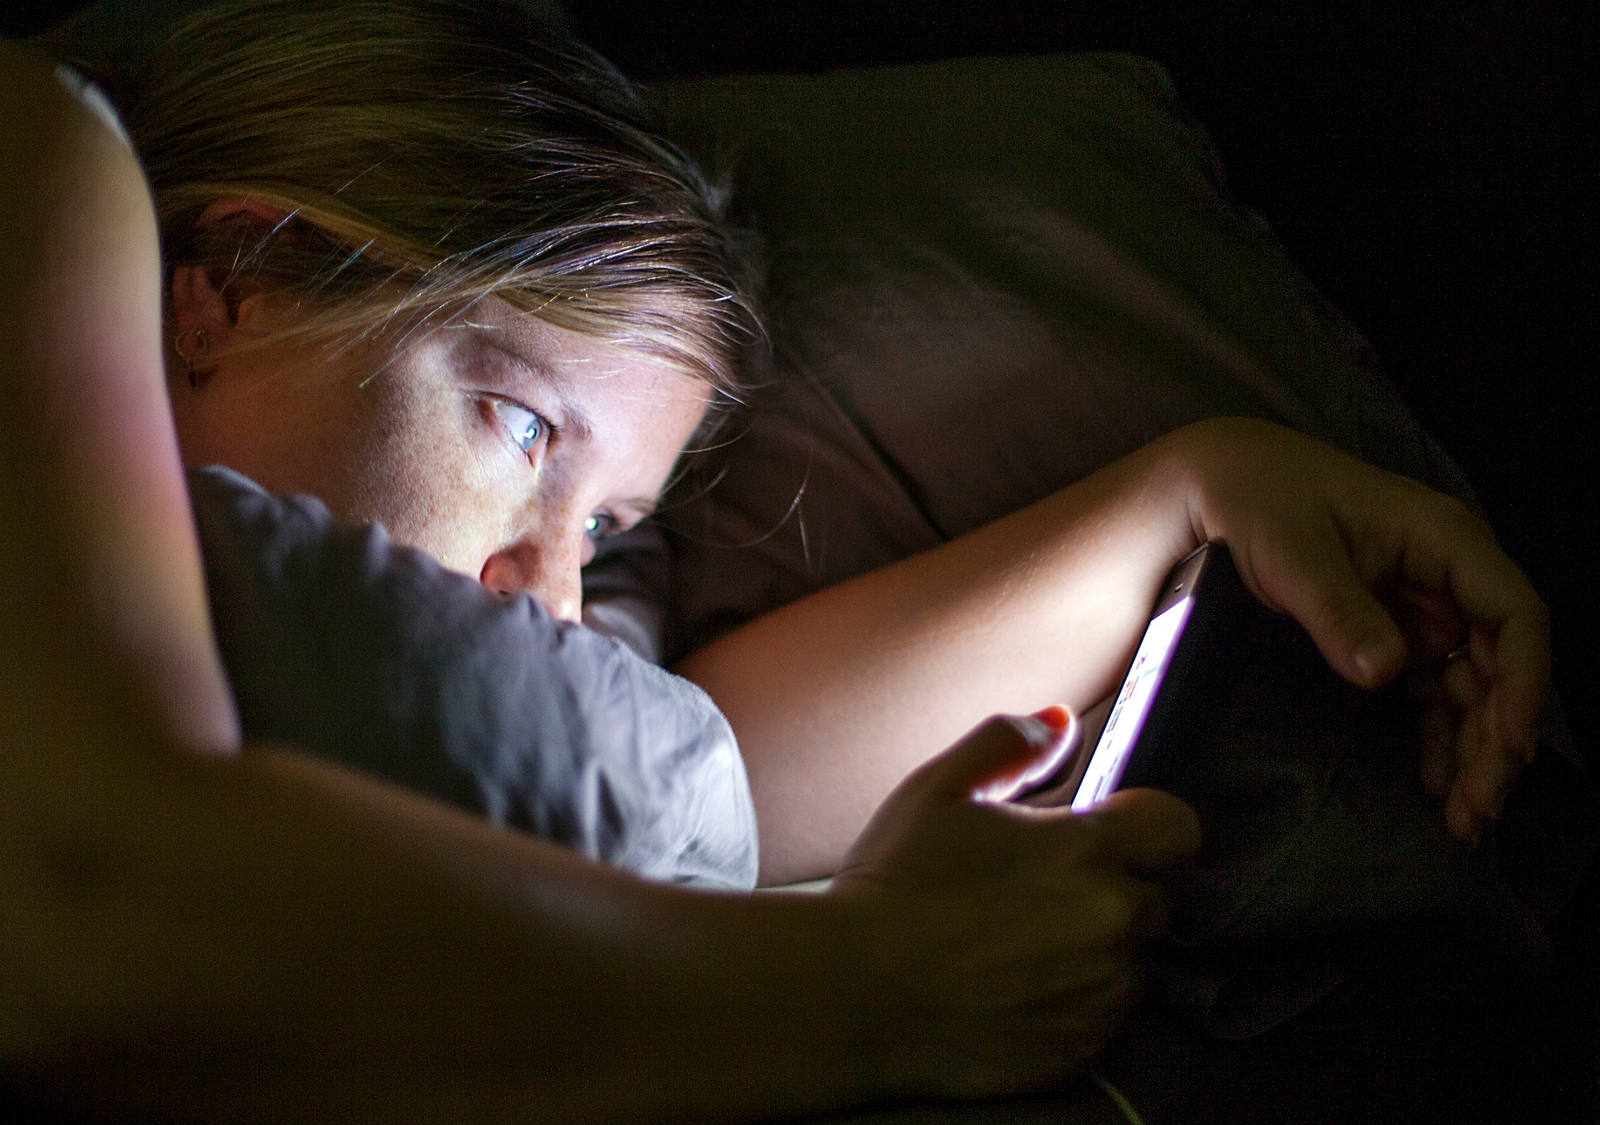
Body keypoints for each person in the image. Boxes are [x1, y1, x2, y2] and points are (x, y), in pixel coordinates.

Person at [1, 2, 1550, 1120]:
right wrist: (874, 991)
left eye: (609, 536)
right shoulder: (34, 155)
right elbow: (89, 905)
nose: (547, 596)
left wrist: (1190, 493)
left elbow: (705, 774)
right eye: (528, 428)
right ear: (237, 282)